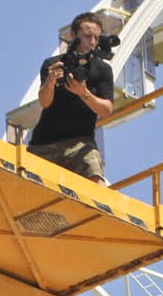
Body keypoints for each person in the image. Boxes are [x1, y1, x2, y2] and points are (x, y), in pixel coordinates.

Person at [28, 12, 114, 184]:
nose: (92, 42)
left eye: (96, 38)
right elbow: (44, 102)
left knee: (95, 177)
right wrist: (51, 81)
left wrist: (83, 92)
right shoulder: (53, 64)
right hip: (44, 144)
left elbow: (106, 110)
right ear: (73, 35)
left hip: (81, 143)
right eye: (87, 36)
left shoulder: (102, 69)